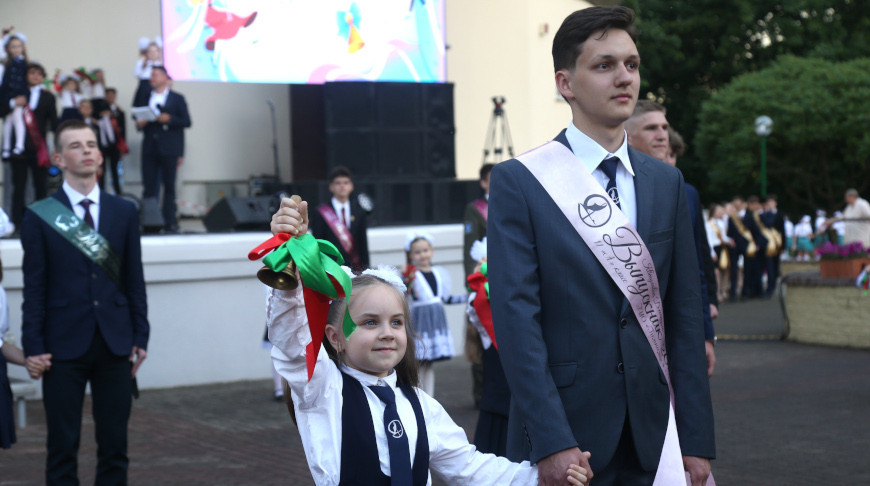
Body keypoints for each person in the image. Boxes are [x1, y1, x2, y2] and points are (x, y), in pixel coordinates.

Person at [488, 6, 714, 485]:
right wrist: (551, 439)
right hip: (567, 435)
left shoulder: (666, 182)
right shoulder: (520, 182)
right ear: (566, 83)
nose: (624, 77)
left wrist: (694, 440)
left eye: (631, 64)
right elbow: (515, 321)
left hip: (656, 435)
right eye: (604, 65)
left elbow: (685, 317)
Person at [266, 197, 590, 485]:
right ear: (335, 338)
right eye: (369, 322)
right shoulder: (324, 390)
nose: (387, 333)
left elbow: (470, 468)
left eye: (396, 322)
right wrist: (292, 261)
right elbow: (293, 339)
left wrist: (541, 479)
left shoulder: (421, 405)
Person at [21, 120, 149, 484]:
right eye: (76, 146)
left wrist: (141, 334)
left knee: (115, 445)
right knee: (62, 445)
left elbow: (134, 280)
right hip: (61, 346)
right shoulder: (40, 214)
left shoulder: (123, 211)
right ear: (59, 158)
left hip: (116, 343)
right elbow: (35, 287)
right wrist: (34, 345)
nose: (88, 150)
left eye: (92, 144)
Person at [627, 106, 717, 377]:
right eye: (651, 128)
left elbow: (695, 268)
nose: (662, 135)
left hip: (675, 326)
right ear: (628, 136)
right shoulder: (605, 188)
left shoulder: (684, 191)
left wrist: (705, 334)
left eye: (665, 127)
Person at [404, 232, 466, 397]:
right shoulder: (410, 276)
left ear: (431, 251)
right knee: (418, 362)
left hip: (436, 323)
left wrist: (469, 296)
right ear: (410, 255)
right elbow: (405, 298)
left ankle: (429, 398)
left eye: (425, 250)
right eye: (417, 252)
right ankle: (417, 396)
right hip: (420, 323)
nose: (422, 255)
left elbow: (445, 298)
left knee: (429, 363)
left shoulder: (439, 273)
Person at [0, 62, 57, 228]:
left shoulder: (48, 96)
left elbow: (54, 122)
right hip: (18, 150)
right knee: (18, 187)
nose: (35, 76)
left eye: (39, 74)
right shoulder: (15, 93)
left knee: (41, 187)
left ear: (43, 78)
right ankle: (18, 222)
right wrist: (13, 102)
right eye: (32, 73)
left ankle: (42, 222)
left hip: (39, 149)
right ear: (25, 75)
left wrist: (57, 145)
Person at [135, 65, 191, 234]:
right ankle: (150, 222)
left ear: (165, 77)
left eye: (156, 74)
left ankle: (170, 221)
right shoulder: (145, 97)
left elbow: (186, 122)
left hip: (170, 148)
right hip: (150, 147)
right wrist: (141, 122)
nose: (152, 78)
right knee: (149, 186)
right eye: (151, 75)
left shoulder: (177, 98)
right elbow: (137, 119)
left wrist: (170, 119)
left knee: (169, 186)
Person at [461, 163, 493, 407]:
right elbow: (470, 247)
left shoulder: (513, 201)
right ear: (483, 182)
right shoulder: (475, 210)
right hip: (482, 280)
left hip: (507, 279)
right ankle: (480, 395)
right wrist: (474, 281)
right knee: (479, 337)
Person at [308, 166, 370, 271]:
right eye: (338, 183)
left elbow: (363, 246)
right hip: (331, 269)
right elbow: (318, 244)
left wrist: (366, 271)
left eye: (346, 183)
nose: (342, 186)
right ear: (331, 187)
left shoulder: (359, 212)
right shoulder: (320, 212)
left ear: (351, 186)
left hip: (356, 270)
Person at [1, 33, 29, 159]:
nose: (16, 49)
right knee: (7, 121)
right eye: (13, 47)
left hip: (20, 95)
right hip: (8, 96)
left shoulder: (25, 64)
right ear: (8, 48)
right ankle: (6, 148)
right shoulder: (6, 65)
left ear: (22, 47)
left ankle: (19, 145)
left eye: (18, 46)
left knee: (18, 118)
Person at [97, 88, 128, 194]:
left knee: (115, 169)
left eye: (112, 95)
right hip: (103, 145)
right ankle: (101, 192)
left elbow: (123, 130)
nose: (110, 97)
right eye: (108, 95)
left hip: (115, 145)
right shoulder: (99, 110)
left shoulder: (119, 112)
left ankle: (118, 192)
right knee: (102, 169)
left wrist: (123, 147)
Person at [727, 197, 751, 300]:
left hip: (746, 246)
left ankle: (745, 292)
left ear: (742, 204)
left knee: (747, 270)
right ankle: (733, 293)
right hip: (734, 247)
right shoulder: (732, 218)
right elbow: (729, 233)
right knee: (734, 270)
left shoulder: (749, 216)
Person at [762, 195, 785, 298]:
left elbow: (783, 231)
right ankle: (769, 288)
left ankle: (774, 285)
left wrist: (783, 246)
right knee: (769, 267)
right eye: (768, 202)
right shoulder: (764, 215)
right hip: (768, 246)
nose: (770, 204)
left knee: (775, 267)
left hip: (777, 244)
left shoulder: (779, 214)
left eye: (772, 202)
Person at [132, 37, 162, 107]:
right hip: (144, 92)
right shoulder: (144, 64)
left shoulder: (161, 65)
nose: (153, 54)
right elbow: (136, 73)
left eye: (155, 51)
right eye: (150, 52)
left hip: (156, 91)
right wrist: (141, 61)